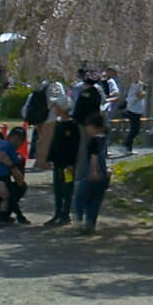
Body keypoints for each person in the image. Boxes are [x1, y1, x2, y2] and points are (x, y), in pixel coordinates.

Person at [72, 109, 111, 235]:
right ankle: (90, 223)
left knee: (80, 197)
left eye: (88, 127)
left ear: (94, 127)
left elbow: (94, 156)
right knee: (95, 200)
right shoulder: (104, 140)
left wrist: (93, 171)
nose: (87, 130)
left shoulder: (93, 141)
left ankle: (78, 221)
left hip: (93, 173)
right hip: (104, 174)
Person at [43, 97, 80, 225]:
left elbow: (75, 146)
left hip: (68, 164)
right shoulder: (58, 124)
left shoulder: (73, 126)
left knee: (67, 187)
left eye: (57, 107)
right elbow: (54, 144)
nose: (55, 109)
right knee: (57, 188)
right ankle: (57, 213)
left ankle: (66, 214)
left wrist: (72, 163)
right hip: (58, 162)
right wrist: (49, 158)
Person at [121, 79, 148, 154]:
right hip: (132, 111)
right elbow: (131, 99)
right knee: (134, 130)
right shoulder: (135, 86)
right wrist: (139, 97)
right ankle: (126, 146)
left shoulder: (140, 85)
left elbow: (141, 99)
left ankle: (128, 147)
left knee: (135, 130)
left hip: (137, 111)